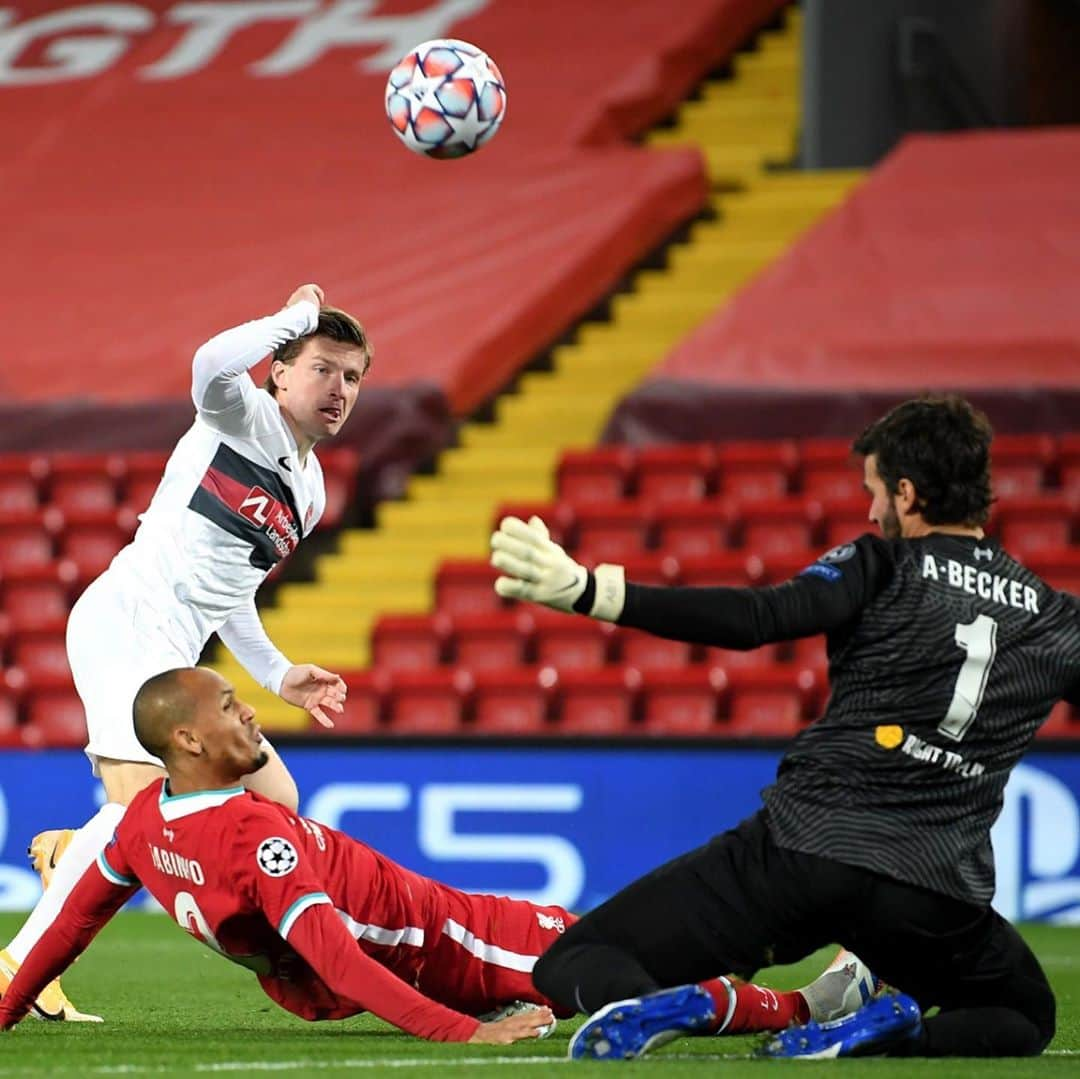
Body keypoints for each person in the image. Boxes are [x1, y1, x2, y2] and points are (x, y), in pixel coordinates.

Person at [489, 395, 1075, 1060]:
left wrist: (592, 592)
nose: (871, 510)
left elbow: (760, 618)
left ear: (907, 493)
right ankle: (878, 1038)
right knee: (1024, 1012)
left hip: (801, 853)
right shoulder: (1057, 619)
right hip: (931, 887)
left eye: (875, 491)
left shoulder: (882, 564)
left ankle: (708, 1003)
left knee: (579, 957)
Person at [0, 667, 875, 1043]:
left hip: (434, 938)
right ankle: (806, 1006)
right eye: (231, 706)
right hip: (456, 944)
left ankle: (807, 992)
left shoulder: (140, 823)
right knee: (627, 966)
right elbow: (339, 956)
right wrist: (468, 1030)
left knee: (638, 956)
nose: (250, 714)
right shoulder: (253, 834)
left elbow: (59, 934)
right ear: (187, 737)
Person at [0, 284, 367, 1021]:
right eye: (323, 367)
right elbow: (207, 363)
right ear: (281, 371)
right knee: (142, 812)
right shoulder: (242, 414)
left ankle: (73, 854)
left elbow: (232, 591)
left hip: (181, 654)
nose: (339, 389)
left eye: (353, 376)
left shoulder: (313, 490)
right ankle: (18, 967)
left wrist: (278, 671)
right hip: (128, 623)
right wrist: (289, 319)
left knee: (277, 802)